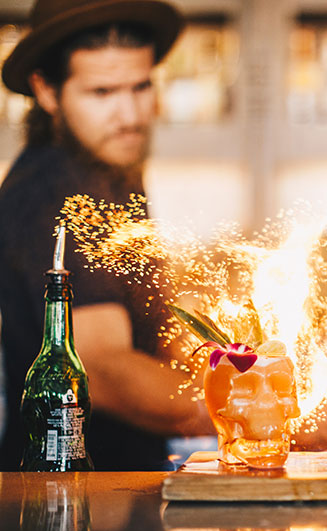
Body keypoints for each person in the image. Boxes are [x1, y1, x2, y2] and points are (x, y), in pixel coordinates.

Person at [0, 0, 214, 470]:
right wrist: (247, 412)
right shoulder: (57, 194)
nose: (130, 114)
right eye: (102, 92)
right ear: (47, 90)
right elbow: (103, 369)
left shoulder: (108, 171)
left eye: (140, 87)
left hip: (115, 491)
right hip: (75, 505)